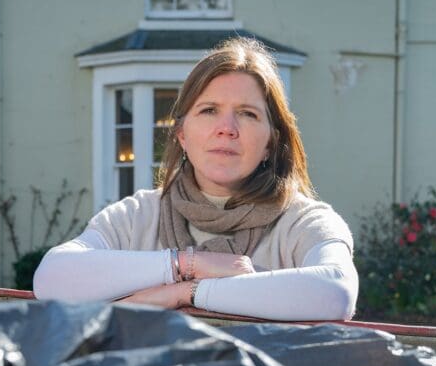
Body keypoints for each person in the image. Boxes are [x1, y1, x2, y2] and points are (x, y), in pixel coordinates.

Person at [33, 37, 358, 321]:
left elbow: (335, 292)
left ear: (270, 142)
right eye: (209, 110)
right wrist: (187, 263)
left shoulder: (303, 223)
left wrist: (187, 293)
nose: (227, 128)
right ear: (182, 136)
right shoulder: (136, 217)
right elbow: (52, 279)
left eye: (248, 113)